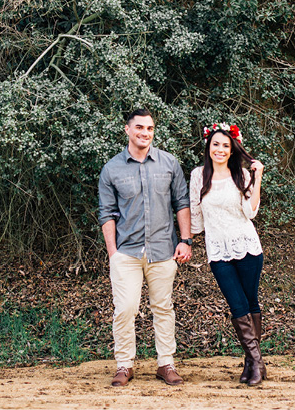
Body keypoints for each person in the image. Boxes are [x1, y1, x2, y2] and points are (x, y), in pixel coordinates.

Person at [98, 108, 193, 387]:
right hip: (126, 253)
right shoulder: (111, 169)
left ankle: (166, 363)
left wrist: (185, 240)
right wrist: (113, 253)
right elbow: (107, 213)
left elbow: (182, 203)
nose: (145, 133)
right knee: (125, 308)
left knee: (163, 307)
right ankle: (124, 365)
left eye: (149, 128)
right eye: (139, 127)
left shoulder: (169, 163)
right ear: (127, 130)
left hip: (163, 249)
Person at [190, 122, 266, 386]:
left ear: (233, 149)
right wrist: (185, 238)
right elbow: (196, 219)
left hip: (247, 246)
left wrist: (257, 179)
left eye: (225, 145)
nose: (220, 150)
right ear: (208, 147)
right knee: (237, 305)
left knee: (250, 303)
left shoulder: (242, 175)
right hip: (218, 252)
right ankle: (256, 361)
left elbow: (251, 212)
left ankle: (252, 363)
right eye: (215, 145)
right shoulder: (198, 175)